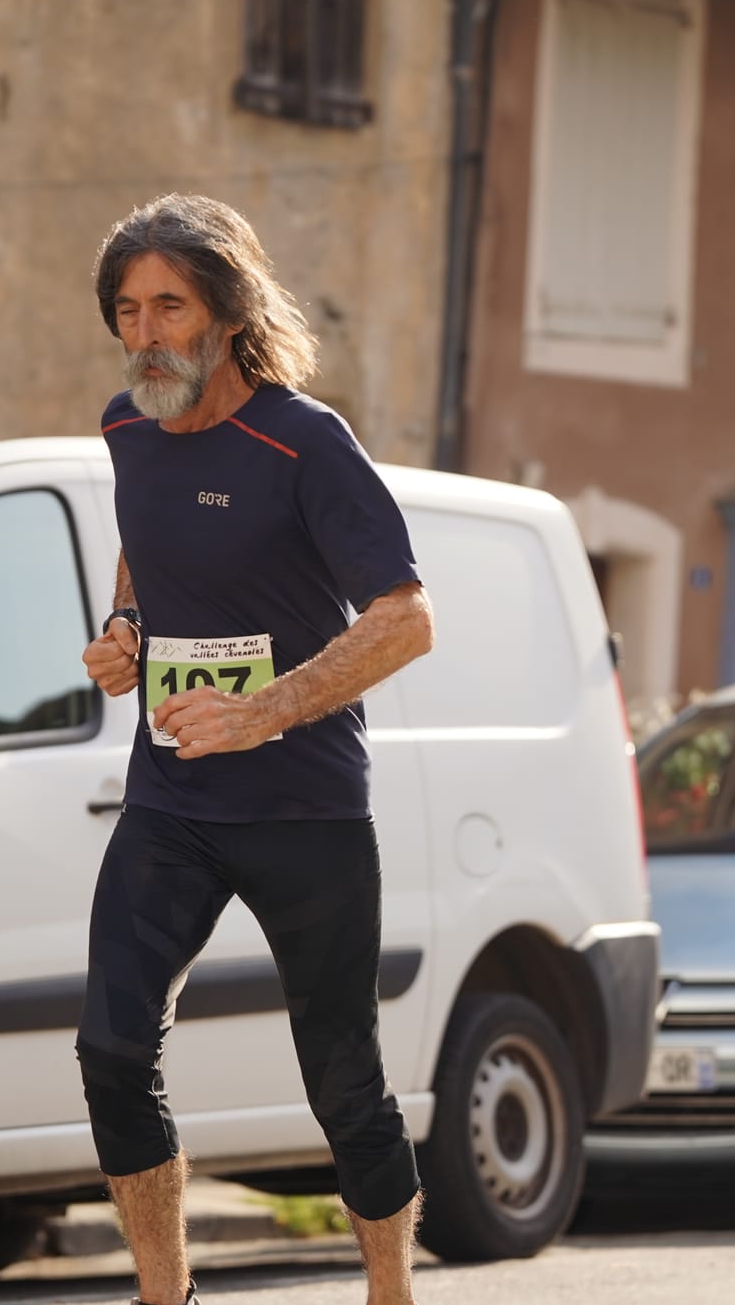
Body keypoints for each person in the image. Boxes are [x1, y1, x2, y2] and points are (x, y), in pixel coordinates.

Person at [75, 193, 434, 1305]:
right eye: (127, 310)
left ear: (224, 315)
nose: (144, 332)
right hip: (173, 801)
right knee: (109, 1048)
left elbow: (406, 618)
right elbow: (145, 537)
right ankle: (163, 1296)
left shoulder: (303, 442)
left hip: (304, 806)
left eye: (168, 306)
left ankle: (389, 1292)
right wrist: (127, 625)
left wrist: (263, 710)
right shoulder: (125, 427)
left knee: (342, 1080)